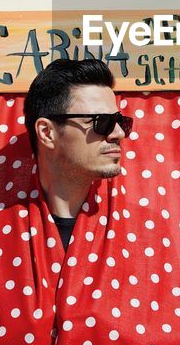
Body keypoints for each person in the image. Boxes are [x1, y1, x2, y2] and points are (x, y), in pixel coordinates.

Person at [22, 58, 132, 250]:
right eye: (102, 121)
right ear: (47, 133)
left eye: (120, 121)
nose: (119, 133)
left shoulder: (142, 235)